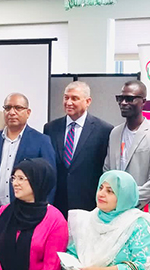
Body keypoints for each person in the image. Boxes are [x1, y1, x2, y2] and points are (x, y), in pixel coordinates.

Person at [0, 93, 56, 228]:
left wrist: (44, 211)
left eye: (18, 108)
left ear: (28, 112)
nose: (12, 112)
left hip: (28, 211)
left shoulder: (41, 141)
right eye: (7, 108)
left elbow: (49, 181)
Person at [104, 80, 150, 226]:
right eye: (120, 98)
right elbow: (108, 171)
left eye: (130, 99)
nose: (123, 103)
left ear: (143, 102)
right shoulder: (115, 133)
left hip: (144, 214)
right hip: (115, 214)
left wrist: (128, 199)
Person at [44, 82, 113, 216]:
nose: (68, 102)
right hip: (57, 204)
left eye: (74, 98)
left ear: (88, 101)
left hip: (88, 205)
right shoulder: (50, 128)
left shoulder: (104, 130)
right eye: (66, 98)